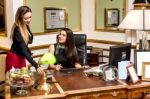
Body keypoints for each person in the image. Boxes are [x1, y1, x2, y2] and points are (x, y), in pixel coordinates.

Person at [5, 6, 43, 73]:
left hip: (21, 57)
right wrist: (36, 65)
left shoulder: (25, 25)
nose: (28, 20)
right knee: (14, 81)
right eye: (25, 18)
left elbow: (27, 42)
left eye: (30, 17)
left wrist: (29, 52)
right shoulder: (17, 29)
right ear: (19, 18)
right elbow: (23, 49)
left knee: (23, 80)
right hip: (14, 58)